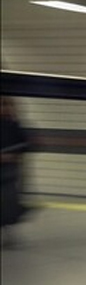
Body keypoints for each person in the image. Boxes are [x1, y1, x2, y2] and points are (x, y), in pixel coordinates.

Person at [1, 97, 30, 248]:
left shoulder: (15, 126)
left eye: (7, 105)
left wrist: (12, 156)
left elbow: (25, 145)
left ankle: (9, 233)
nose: (5, 109)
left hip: (9, 170)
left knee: (8, 201)